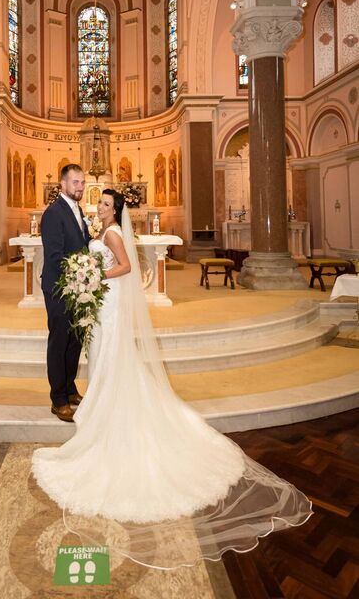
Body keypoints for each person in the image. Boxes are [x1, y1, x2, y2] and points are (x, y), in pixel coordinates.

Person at [33, 189, 312, 569]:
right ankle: (102, 399)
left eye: (106, 205)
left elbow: (126, 266)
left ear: (116, 210)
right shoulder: (101, 230)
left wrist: (95, 273)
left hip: (109, 303)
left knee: (108, 355)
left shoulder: (112, 233)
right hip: (105, 304)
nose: (99, 207)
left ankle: (108, 404)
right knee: (102, 356)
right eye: (98, 203)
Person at [40, 164, 90, 423]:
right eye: (75, 182)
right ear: (63, 184)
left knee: (75, 342)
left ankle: (70, 389)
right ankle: (57, 399)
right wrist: (81, 273)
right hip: (59, 288)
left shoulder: (77, 209)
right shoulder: (53, 213)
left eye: (82, 182)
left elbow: (82, 244)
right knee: (59, 342)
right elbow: (55, 255)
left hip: (78, 288)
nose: (80, 187)